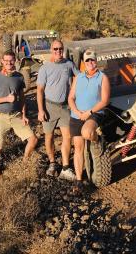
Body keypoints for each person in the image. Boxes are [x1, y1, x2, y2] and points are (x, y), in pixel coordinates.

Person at [0, 50, 38, 181]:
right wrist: (6, 99)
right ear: (2, 61)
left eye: (11, 60)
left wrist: (24, 115)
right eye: (6, 60)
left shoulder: (19, 77)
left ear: (15, 61)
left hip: (15, 115)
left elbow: (22, 98)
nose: (9, 63)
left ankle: (25, 162)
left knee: (33, 139)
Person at [68, 49, 110, 191]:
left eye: (92, 60)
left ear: (96, 61)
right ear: (84, 63)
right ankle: (79, 180)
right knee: (78, 148)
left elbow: (104, 101)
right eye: (87, 60)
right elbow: (71, 98)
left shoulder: (102, 77)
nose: (90, 63)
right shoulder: (78, 77)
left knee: (87, 132)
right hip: (77, 115)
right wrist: (77, 111)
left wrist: (89, 112)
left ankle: (99, 140)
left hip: (95, 113)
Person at [37, 39, 78, 180]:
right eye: (55, 49)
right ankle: (53, 163)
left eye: (60, 49)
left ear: (63, 49)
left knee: (67, 136)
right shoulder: (45, 68)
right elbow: (39, 90)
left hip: (65, 106)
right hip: (49, 107)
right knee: (49, 136)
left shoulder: (69, 64)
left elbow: (79, 77)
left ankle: (66, 167)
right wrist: (41, 110)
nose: (58, 51)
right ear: (51, 51)